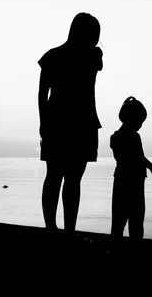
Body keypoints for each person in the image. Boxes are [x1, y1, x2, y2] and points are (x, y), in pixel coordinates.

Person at [38, 12, 103, 233]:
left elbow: (41, 95)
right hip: (80, 122)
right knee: (70, 179)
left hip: (59, 121)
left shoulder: (53, 56)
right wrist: (44, 122)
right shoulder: (91, 57)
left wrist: (43, 120)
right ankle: (67, 230)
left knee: (55, 176)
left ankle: (53, 228)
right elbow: (42, 93)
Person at [110, 96, 152, 243]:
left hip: (121, 179)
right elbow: (138, 157)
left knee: (118, 219)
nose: (140, 125)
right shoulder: (133, 137)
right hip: (134, 181)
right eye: (140, 121)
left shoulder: (115, 137)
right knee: (136, 218)